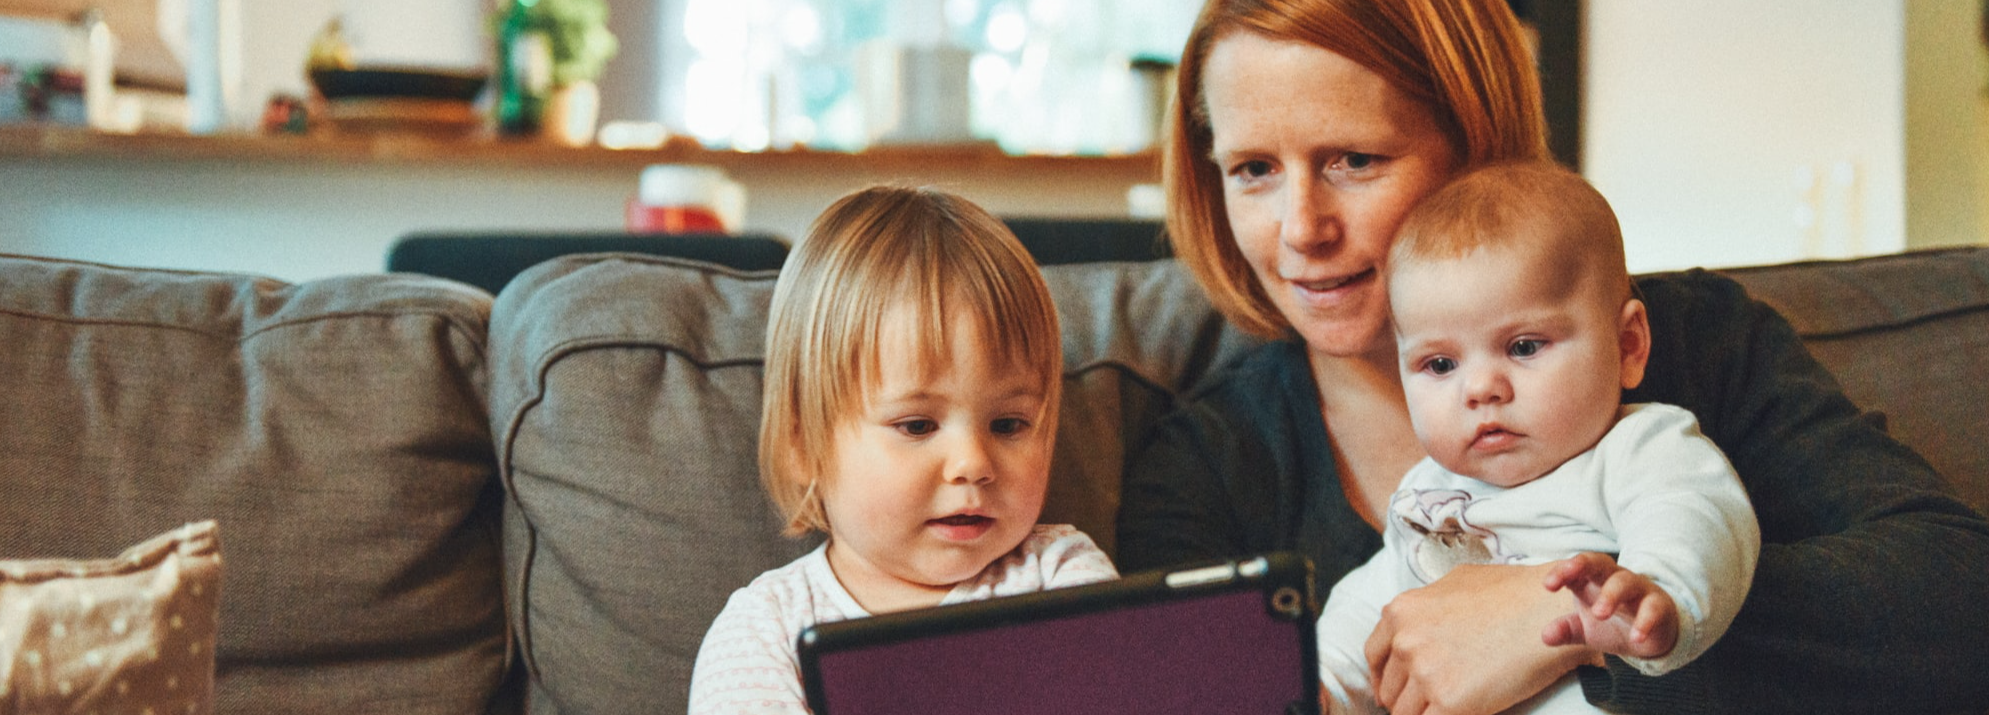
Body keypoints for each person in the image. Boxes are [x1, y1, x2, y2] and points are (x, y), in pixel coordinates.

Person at [1116, 1, 1989, 713]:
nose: (1302, 229)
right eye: (1253, 170)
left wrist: (1563, 617)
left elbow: (1958, 603)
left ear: (1475, 143)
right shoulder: (1202, 467)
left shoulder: (1694, 343)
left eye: (1354, 159)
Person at [1315, 162, 1760, 714]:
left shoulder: (1638, 448)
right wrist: (1326, 683)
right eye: (1439, 363)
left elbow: (1695, 517)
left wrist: (1656, 597)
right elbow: (1372, 604)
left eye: (1524, 347)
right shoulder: (1428, 493)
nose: (1479, 389)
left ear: (1627, 346)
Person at [688, 185, 1117, 714]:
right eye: (917, 425)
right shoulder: (766, 631)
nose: (973, 464)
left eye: (1008, 424)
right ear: (803, 443)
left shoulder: (1062, 578)